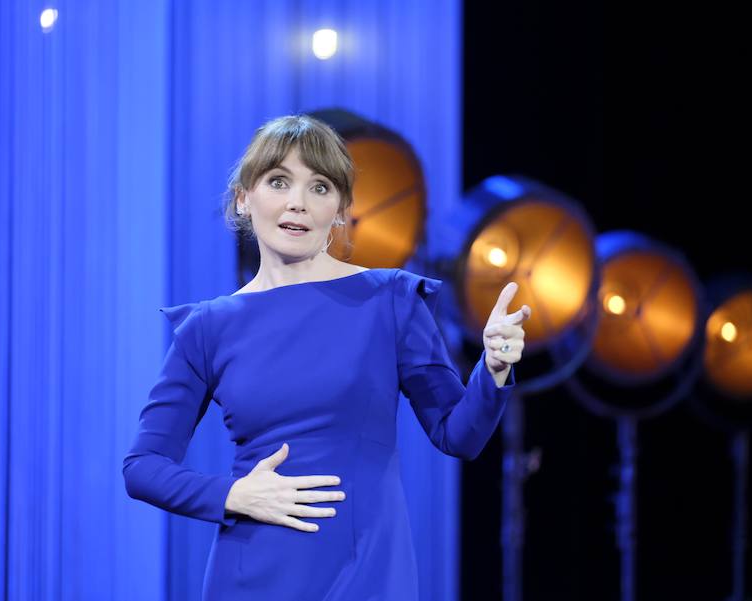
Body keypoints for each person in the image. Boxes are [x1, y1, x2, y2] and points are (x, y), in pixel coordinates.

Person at [122, 114, 531, 600]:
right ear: (243, 198)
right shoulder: (207, 327)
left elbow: (457, 434)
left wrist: (494, 369)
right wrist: (231, 495)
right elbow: (142, 466)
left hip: (367, 569)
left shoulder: (391, 301)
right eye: (278, 181)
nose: (298, 202)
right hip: (250, 570)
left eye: (320, 187)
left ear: (339, 210)